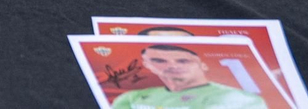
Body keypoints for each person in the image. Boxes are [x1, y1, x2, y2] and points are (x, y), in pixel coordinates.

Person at [110, 44, 266, 109]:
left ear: (203, 65)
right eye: (159, 61)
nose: (172, 66)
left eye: (183, 61)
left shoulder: (238, 98)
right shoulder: (133, 97)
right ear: (148, 65)